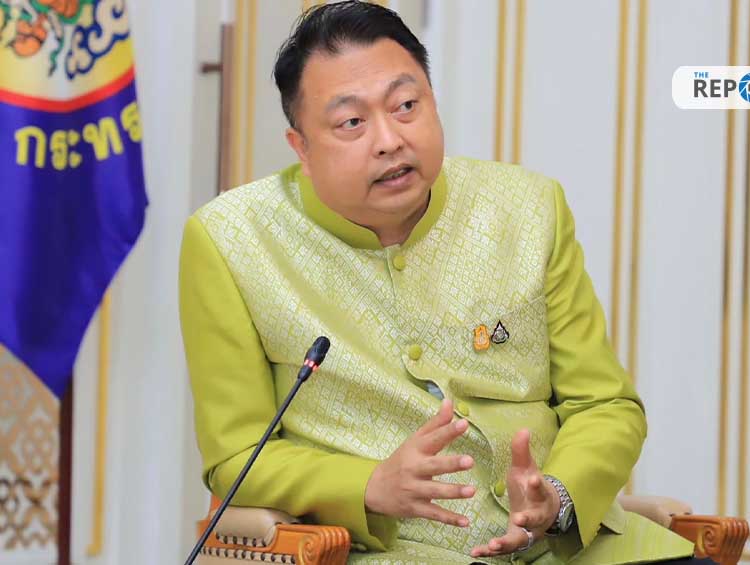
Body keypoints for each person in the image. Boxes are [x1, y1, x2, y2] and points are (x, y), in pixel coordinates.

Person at [179, 2, 699, 563]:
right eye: (352, 123)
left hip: (564, 548)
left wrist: (557, 496)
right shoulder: (231, 240)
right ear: (301, 147)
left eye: (406, 106)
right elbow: (238, 456)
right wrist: (367, 485)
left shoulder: (529, 209)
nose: (389, 140)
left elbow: (606, 404)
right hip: (390, 552)